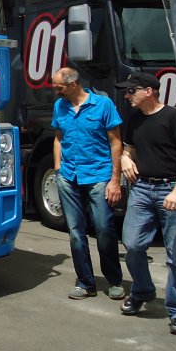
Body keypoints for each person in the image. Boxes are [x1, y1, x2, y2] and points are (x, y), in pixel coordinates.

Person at [116, 71, 176, 336]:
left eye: (132, 91)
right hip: (142, 189)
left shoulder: (175, 118)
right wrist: (125, 160)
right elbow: (128, 149)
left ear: (148, 91)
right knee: (132, 245)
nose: (127, 95)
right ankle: (143, 290)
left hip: (170, 189)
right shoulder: (134, 119)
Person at [51, 67, 125, 301]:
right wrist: (57, 169)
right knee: (75, 232)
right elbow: (58, 138)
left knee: (104, 229)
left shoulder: (103, 105)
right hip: (69, 176)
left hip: (99, 176)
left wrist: (115, 180)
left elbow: (116, 143)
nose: (56, 92)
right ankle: (85, 283)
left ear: (73, 85)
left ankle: (114, 280)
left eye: (58, 88)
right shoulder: (60, 107)